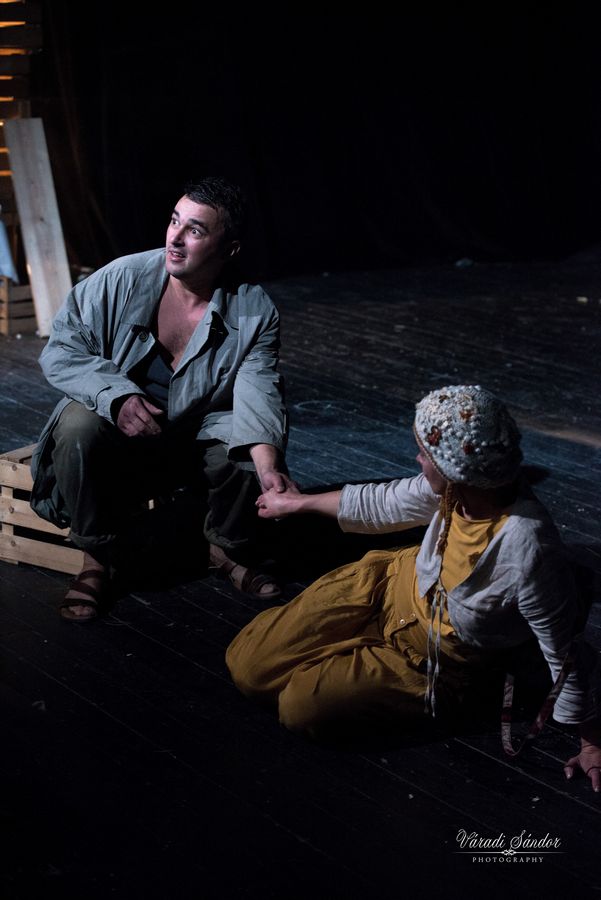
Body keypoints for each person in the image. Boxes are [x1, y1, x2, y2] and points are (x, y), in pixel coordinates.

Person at [227, 385, 601, 791]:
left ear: (453, 468)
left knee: (300, 706)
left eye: (424, 453)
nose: (417, 460)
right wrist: (297, 503)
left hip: (433, 656)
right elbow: (387, 502)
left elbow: (563, 650)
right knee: (249, 667)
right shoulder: (462, 490)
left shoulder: (527, 547)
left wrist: (592, 742)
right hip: (387, 585)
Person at [30, 176, 293, 621]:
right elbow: (61, 350)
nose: (175, 238)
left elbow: (259, 391)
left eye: (195, 230)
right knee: (76, 424)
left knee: (250, 439)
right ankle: (96, 558)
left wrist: (269, 469)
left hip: (192, 438)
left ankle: (225, 548)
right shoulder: (121, 278)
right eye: (175, 221)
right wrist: (116, 398)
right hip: (121, 437)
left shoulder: (254, 309)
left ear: (229, 249)